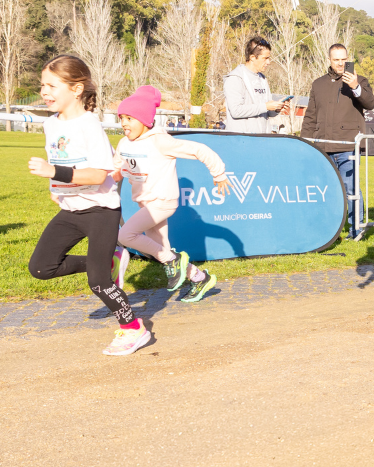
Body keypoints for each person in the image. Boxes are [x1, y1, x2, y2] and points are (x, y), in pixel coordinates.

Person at [25, 55, 145, 356]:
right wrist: (57, 187)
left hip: (101, 211)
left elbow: (95, 174)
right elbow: (64, 163)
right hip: (70, 210)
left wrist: (54, 174)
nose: (44, 91)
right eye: (42, 85)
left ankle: (133, 329)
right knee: (41, 268)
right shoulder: (50, 124)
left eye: (52, 85)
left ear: (76, 89)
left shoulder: (90, 126)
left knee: (99, 282)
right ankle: (108, 261)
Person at [112, 85, 225, 302]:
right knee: (162, 251)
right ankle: (200, 278)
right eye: (121, 118)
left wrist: (218, 173)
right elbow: (115, 170)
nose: (124, 123)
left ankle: (174, 261)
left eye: (129, 118)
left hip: (163, 202)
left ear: (144, 119)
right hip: (145, 205)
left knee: (125, 235)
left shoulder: (160, 141)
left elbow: (199, 150)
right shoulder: (124, 143)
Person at [300, 43, 374, 232]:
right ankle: (329, 229)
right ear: (329, 60)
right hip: (322, 146)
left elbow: (370, 103)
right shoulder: (318, 84)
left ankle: (356, 230)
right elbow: (310, 115)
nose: (341, 64)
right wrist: (305, 142)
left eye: (344, 59)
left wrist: (355, 86)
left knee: (350, 190)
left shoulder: (361, 81)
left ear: (348, 58)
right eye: (336, 60)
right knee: (327, 190)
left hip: (348, 145)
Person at [223, 36, 292, 133]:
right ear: (252, 58)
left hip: (261, 140)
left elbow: (266, 112)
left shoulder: (262, 79)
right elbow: (236, 111)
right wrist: (265, 106)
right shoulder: (235, 78)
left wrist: (276, 108)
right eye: (265, 58)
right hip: (241, 141)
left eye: (269, 58)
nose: (268, 62)